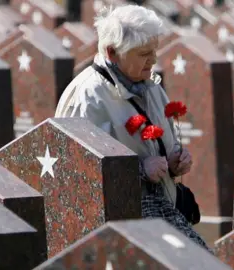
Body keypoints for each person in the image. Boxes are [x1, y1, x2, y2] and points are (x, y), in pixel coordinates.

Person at [54, 4, 209, 250]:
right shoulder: (87, 97)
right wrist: (139, 169)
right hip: (120, 228)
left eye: (154, 50)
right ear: (112, 52)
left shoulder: (151, 86)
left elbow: (162, 141)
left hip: (161, 212)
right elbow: (76, 173)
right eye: (144, 53)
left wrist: (175, 159)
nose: (154, 60)